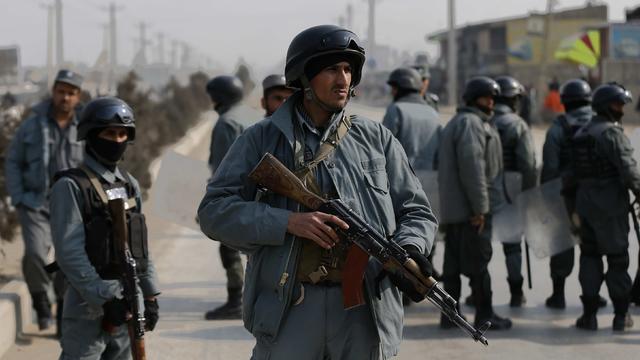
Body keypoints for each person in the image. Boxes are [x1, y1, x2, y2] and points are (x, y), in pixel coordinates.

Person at [198, 25, 437, 359]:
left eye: (348, 70)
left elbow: (417, 211)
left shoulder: (376, 139)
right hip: (291, 308)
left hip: (363, 310)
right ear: (305, 78)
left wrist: (410, 247)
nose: (343, 80)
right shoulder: (261, 139)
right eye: (331, 69)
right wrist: (286, 222)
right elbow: (213, 211)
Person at [49, 97, 160, 358]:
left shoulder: (129, 184)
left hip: (128, 306)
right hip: (88, 308)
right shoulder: (71, 186)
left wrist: (151, 296)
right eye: (110, 132)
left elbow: (140, 248)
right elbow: (69, 253)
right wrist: (105, 299)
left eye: (123, 133)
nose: (118, 140)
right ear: (91, 135)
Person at [4, 69, 85, 332]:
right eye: (61, 91)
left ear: (77, 97)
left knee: (68, 259)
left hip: (71, 205)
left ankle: (63, 312)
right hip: (35, 202)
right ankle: (41, 299)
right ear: (53, 92)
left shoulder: (85, 126)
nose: (65, 97)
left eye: (71, 93)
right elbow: (13, 161)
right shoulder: (33, 124)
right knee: (35, 254)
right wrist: (18, 197)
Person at [438, 76, 512, 330]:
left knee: (453, 266)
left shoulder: (460, 122)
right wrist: (480, 208)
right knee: (479, 265)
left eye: (493, 98)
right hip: (471, 211)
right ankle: (485, 316)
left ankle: (450, 316)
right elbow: (473, 168)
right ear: (473, 99)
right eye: (486, 97)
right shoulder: (471, 124)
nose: (491, 102)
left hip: (456, 210)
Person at [570, 83, 640, 331]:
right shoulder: (612, 134)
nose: (621, 109)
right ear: (605, 106)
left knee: (589, 258)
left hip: (584, 205)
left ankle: (589, 316)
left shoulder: (581, 133)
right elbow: (629, 170)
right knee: (617, 260)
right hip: (610, 206)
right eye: (617, 104)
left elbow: (569, 176)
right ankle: (621, 316)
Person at [541, 79, 604, 309]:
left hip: (565, 197)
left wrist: (547, 199)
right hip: (597, 197)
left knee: (561, 245)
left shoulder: (558, 128)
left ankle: (558, 295)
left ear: (565, 103)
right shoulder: (601, 125)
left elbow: (549, 167)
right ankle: (593, 294)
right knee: (593, 248)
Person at [204, 75, 247, 320]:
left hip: (234, 195)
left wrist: (214, 203)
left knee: (229, 249)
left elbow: (222, 170)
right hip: (256, 191)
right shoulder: (247, 116)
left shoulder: (225, 123)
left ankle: (236, 301)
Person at [492, 75, 536, 307]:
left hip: (484, 185)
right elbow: (528, 164)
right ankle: (516, 292)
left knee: (480, 246)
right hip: (510, 187)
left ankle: (478, 293)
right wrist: (529, 194)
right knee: (512, 245)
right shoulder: (517, 124)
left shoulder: (482, 119)